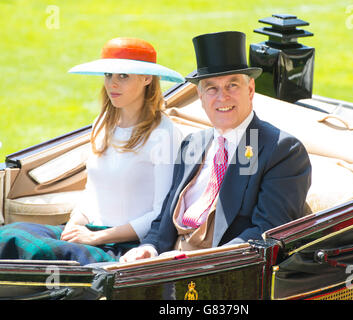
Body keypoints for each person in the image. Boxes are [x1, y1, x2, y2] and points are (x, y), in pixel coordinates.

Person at [120, 31, 312, 262]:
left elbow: (267, 232)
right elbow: (165, 217)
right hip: (163, 262)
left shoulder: (281, 151)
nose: (222, 97)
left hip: (222, 272)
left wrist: (197, 261)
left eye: (232, 85)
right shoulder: (192, 144)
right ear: (200, 96)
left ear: (250, 89)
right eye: (211, 88)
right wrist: (150, 247)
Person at [0, 37, 184, 265]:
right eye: (108, 75)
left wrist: (97, 237)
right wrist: (74, 224)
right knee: (8, 235)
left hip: (124, 246)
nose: (112, 84)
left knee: (38, 252)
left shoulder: (164, 133)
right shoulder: (103, 122)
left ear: (147, 79)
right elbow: (91, 191)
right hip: (89, 233)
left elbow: (160, 214)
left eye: (123, 76)